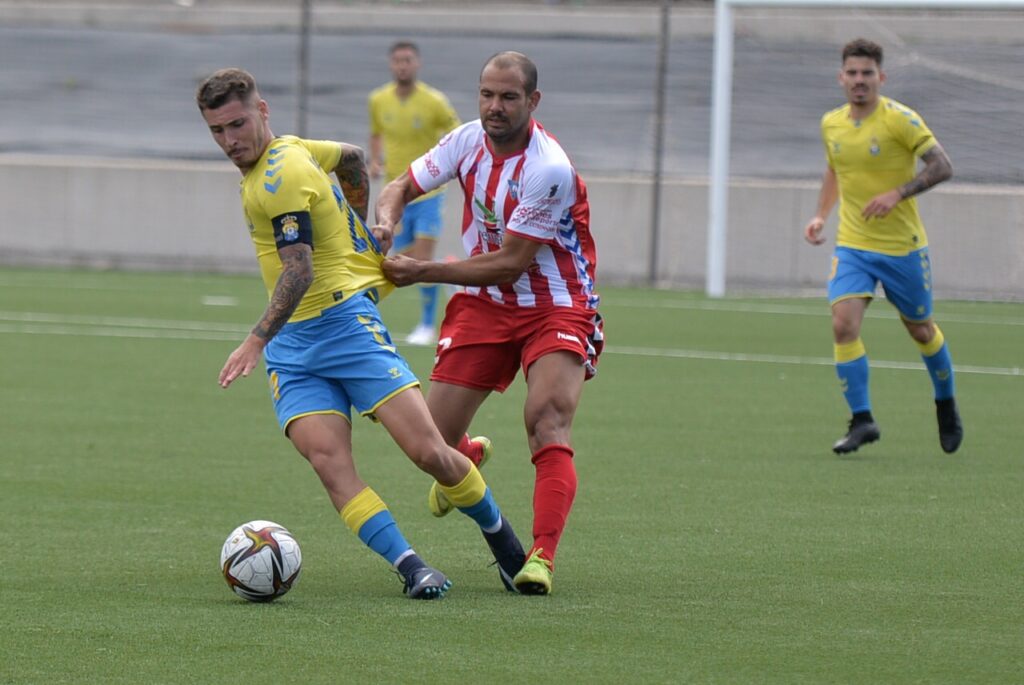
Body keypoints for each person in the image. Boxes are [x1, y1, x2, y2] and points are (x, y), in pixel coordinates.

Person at [195, 67, 524, 599]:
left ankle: (504, 543)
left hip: (346, 326)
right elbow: (350, 156)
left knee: (429, 453)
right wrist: (358, 221)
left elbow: (297, 270)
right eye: (217, 131)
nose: (230, 141)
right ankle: (413, 567)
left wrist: (255, 339)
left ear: (262, 110)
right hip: (296, 350)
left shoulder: (279, 177)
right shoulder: (295, 150)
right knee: (331, 465)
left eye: (237, 124)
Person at [376, 51, 603, 595]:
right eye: (486, 95)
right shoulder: (466, 139)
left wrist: (422, 270)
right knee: (428, 441)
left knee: (546, 419)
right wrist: (387, 219)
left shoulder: (547, 168)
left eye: (507, 97)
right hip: (485, 305)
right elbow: (400, 186)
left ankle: (540, 557)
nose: (494, 107)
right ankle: (466, 457)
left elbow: (512, 262)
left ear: (533, 101)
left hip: (556, 303)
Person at [803, 38, 963, 455]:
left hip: (902, 248)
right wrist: (821, 214)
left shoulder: (901, 121)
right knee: (843, 324)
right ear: (841, 78)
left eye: (867, 74)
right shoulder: (831, 124)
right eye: (852, 73)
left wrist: (899, 193)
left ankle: (945, 402)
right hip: (853, 244)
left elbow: (943, 165)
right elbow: (835, 170)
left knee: (921, 329)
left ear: (881, 77)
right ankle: (862, 420)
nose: (859, 81)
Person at [368, 41, 461, 346]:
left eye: (407, 60)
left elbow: (456, 133)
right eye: (397, 61)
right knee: (391, 258)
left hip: (428, 192)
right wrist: (375, 160)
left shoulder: (434, 101)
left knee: (419, 259)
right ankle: (450, 270)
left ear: (417, 64)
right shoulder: (378, 100)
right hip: (395, 193)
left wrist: (445, 164)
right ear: (390, 64)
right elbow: (376, 133)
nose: (402, 66)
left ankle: (426, 324)